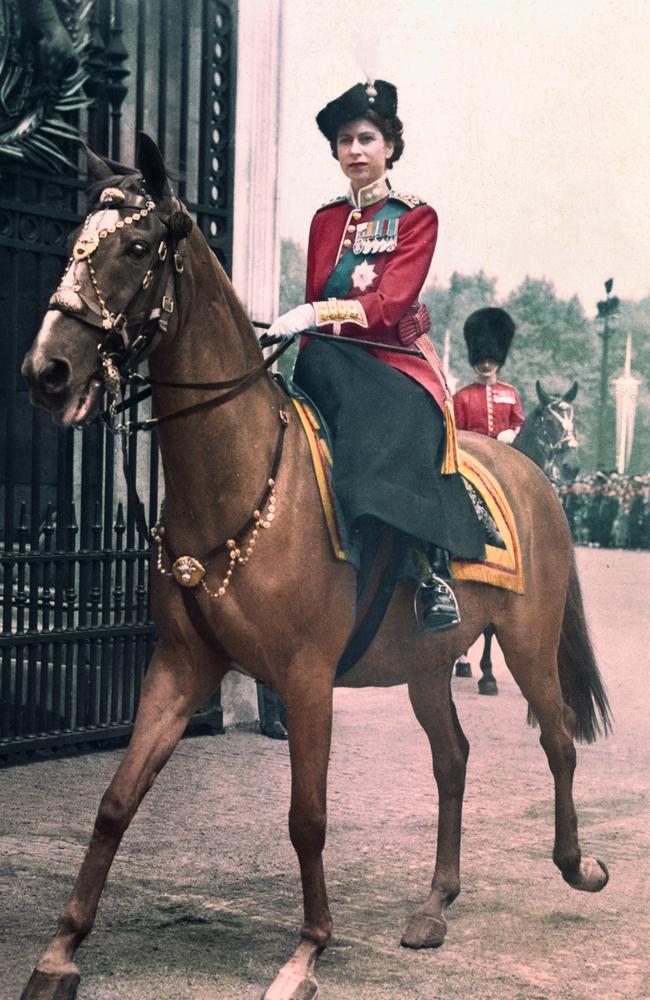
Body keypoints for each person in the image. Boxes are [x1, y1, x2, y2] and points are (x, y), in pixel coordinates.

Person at [267, 79, 485, 631]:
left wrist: (314, 314)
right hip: (328, 359)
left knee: (399, 421)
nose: (355, 151)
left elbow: (388, 305)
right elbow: (319, 295)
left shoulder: (414, 217)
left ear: (390, 145)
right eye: (345, 141)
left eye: (367, 138)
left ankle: (427, 569)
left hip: (392, 361)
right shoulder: (324, 220)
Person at [453, 308, 524, 443]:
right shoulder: (461, 397)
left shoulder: (511, 393)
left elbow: (518, 424)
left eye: (491, 360)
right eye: (481, 361)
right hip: (473, 454)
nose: (486, 365)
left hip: (505, 452)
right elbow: (457, 432)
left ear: (498, 362)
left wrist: (512, 432)